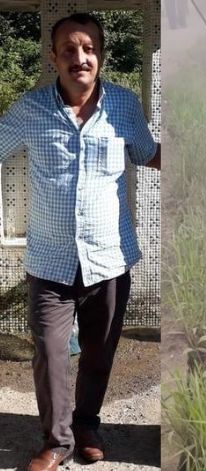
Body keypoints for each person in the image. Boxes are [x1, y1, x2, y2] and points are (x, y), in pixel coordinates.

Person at [0, 13, 160, 471]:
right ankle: (56, 442)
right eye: (69, 50)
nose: (80, 58)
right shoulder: (29, 111)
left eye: (88, 48)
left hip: (109, 256)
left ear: (101, 56)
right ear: (53, 57)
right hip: (49, 261)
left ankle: (87, 425)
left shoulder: (124, 107)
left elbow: (147, 153)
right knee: (50, 355)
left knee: (98, 352)